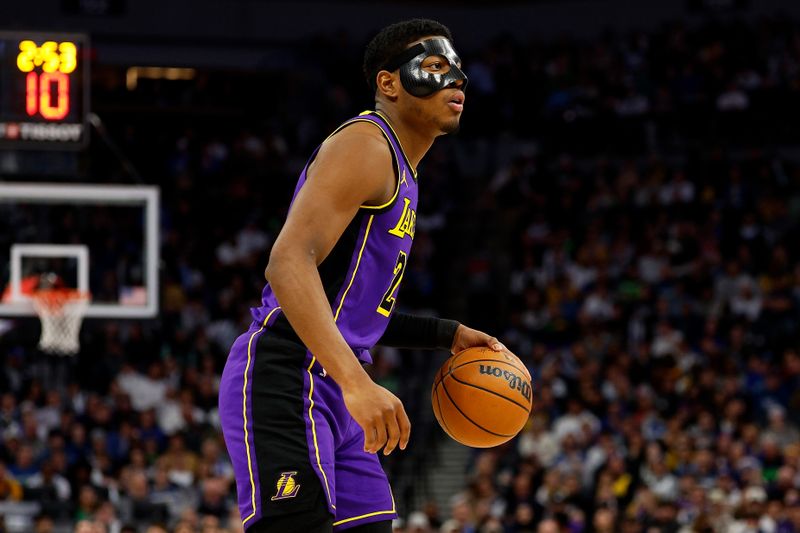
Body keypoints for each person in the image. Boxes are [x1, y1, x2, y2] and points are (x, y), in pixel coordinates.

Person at [219, 18, 506, 533]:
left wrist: (448, 334)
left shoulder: (403, 173)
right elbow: (287, 265)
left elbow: (353, 311)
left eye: (458, 71)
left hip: (335, 381)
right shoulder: (368, 143)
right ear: (388, 82)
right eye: (435, 67)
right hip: (290, 375)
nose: (455, 81)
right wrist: (356, 382)